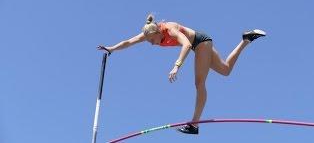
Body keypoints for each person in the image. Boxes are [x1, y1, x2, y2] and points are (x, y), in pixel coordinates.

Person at [97, 14, 266, 134]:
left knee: (199, 83)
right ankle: (245, 40)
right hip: (200, 44)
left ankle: (194, 124)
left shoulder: (169, 29)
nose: (151, 44)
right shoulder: (149, 32)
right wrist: (111, 48)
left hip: (200, 43)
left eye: (151, 41)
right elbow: (129, 42)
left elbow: (185, 44)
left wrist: (176, 66)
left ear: (158, 32)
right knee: (226, 70)